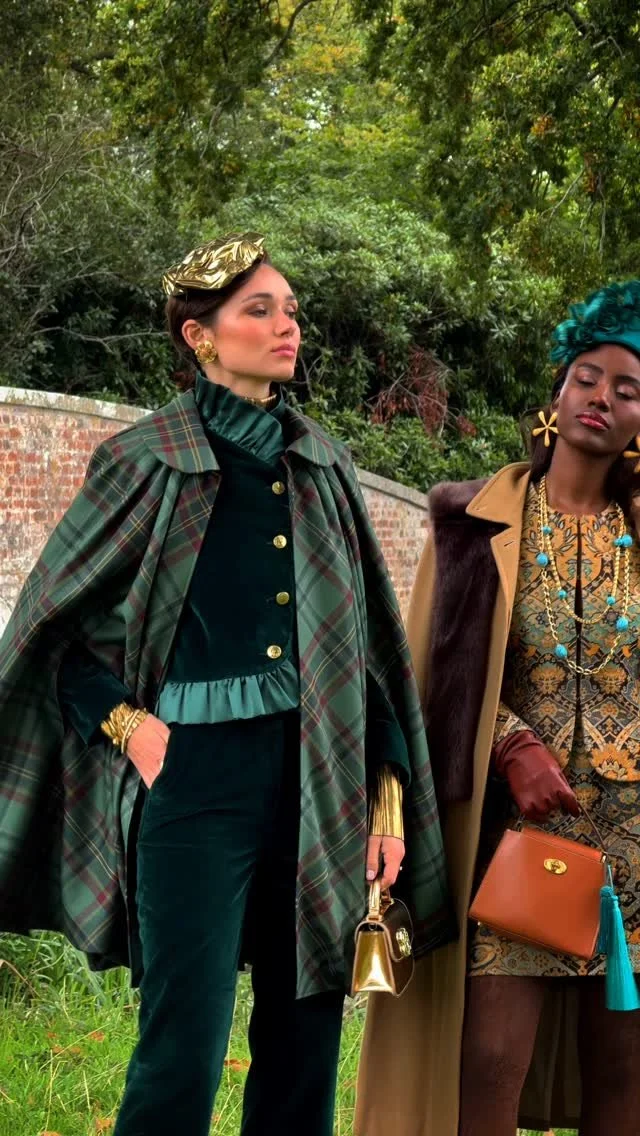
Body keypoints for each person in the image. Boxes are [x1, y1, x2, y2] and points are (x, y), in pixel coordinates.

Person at [0, 232, 450, 1136]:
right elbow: (52, 635)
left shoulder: (322, 463)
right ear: (200, 336)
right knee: (183, 1049)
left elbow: (367, 656)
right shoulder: (145, 459)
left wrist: (385, 802)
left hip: (321, 781)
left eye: (290, 311)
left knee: (304, 1044)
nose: (287, 327)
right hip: (193, 781)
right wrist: (132, 729)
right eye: (260, 310)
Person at [356, 281, 640, 1136]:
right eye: (588, 377)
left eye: (628, 390)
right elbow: (430, 681)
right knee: (486, 1060)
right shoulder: (473, 524)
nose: (602, 397)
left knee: (625, 1069)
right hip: (520, 838)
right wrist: (513, 744)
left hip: (637, 842)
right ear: (558, 392)